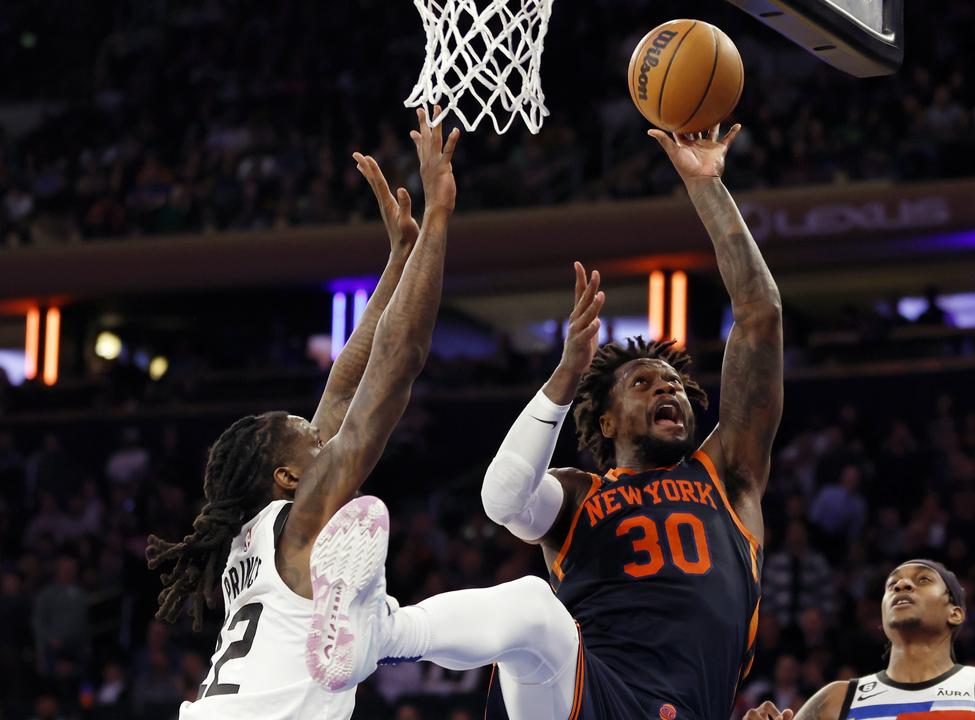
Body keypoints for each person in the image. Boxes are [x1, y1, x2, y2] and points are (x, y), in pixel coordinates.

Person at [317, 122, 783, 720]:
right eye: (642, 383)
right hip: (589, 700)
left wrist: (707, 186)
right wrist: (565, 374)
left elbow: (759, 313)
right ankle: (377, 637)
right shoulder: (578, 496)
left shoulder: (729, 475)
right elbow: (503, 501)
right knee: (536, 610)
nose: (668, 388)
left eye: (675, 385)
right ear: (607, 423)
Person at [144, 107, 460, 719]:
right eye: (312, 441)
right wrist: (441, 217)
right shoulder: (299, 523)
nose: (327, 438)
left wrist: (399, 259)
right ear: (287, 479)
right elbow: (396, 367)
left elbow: (343, 390)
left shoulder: (258, 538)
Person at [745, 560, 975, 720]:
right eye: (892, 585)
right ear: (881, 619)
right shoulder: (835, 699)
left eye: (923, 580)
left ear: (955, 613)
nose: (902, 584)